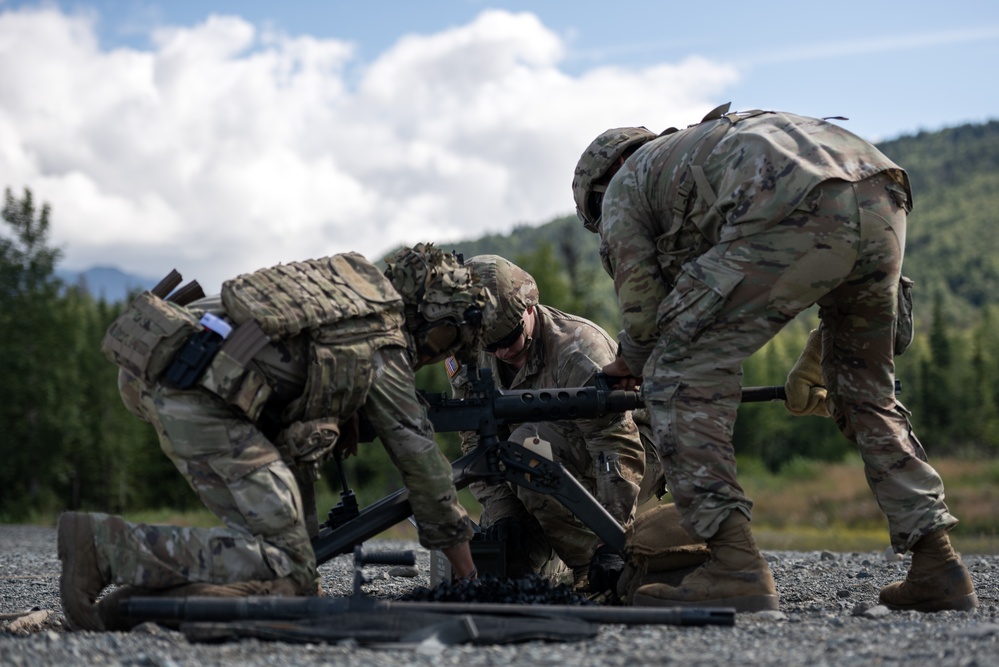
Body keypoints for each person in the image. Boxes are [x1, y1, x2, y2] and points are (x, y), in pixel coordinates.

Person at [571, 104, 979, 612]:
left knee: (677, 376)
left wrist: (630, 361)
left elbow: (645, 315)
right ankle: (937, 564)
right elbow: (827, 236)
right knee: (866, 392)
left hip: (795, 206)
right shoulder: (707, 150)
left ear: (601, 182)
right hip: (882, 193)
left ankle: (734, 567)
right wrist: (827, 346)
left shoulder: (625, 183)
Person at [59, 243, 495, 631]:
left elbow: (294, 389)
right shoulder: (384, 340)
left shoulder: (351, 289)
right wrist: (468, 577)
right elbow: (422, 464)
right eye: (450, 341)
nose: (441, 354)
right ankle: (108, 548)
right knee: (287, 564)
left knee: (291, 577)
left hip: (159, 357)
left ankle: (130, 609)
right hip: (195, 391)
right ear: (437, 321)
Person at [447, 254, 663, 593]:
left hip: (630, 454)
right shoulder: (469, 356)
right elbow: (478, 443)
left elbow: (615, 443)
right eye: (490, 345)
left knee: (526, 445)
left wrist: (610, 542)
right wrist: (504, 513)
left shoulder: (578, 350)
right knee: (509, 566)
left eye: (509, 339)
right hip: (540, 466)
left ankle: (590, 570)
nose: (501, 353)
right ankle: (557, 564)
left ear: (529, 308)